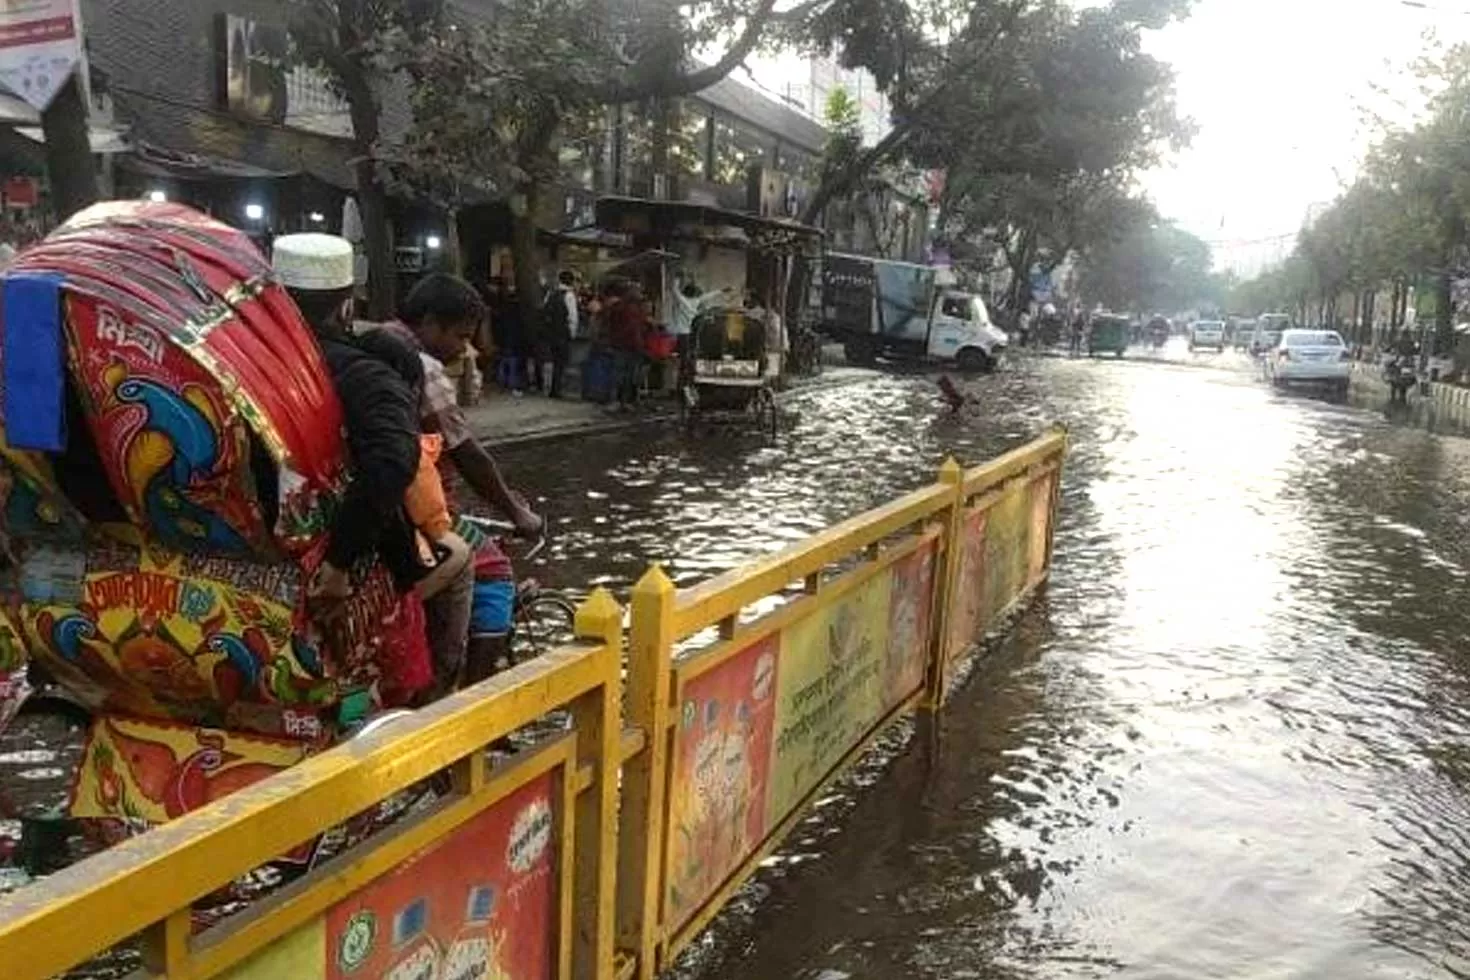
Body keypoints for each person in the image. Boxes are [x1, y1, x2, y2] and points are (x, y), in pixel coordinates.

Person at [273, 233, 472, 701]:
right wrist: (341, 563)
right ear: (346, 303)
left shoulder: (247, 363)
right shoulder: (362, 372)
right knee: (459, 561)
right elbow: (392, 461)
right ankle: (437, 700)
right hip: (330, 558)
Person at [370, 273, 545, 685]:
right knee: (496, 571)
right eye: (461, 336)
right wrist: (515, 510)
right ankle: (468, 697)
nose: (465, 349)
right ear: (430, 322)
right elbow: (466, 452)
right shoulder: (424, 367)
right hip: (413, 506)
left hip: (374, 490)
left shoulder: (372, 341)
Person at [538, 271, 577, 398]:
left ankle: (548, 387)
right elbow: (572, 316)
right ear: (571, 281)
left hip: (550, 332)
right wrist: (572, 333)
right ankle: (556, 389)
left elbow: (544, 310)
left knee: (551, 360)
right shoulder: (569, 295)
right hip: (562, 332)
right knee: (561, 362)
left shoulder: (551, 293)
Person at [608, 283, 647, 410]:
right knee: (627, 374)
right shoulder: (634, 309)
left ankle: (621, 401)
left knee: (623, 374)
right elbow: (636, 328)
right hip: (630, 345)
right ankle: (625, 401)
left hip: (623, 345)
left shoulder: (619, 307)